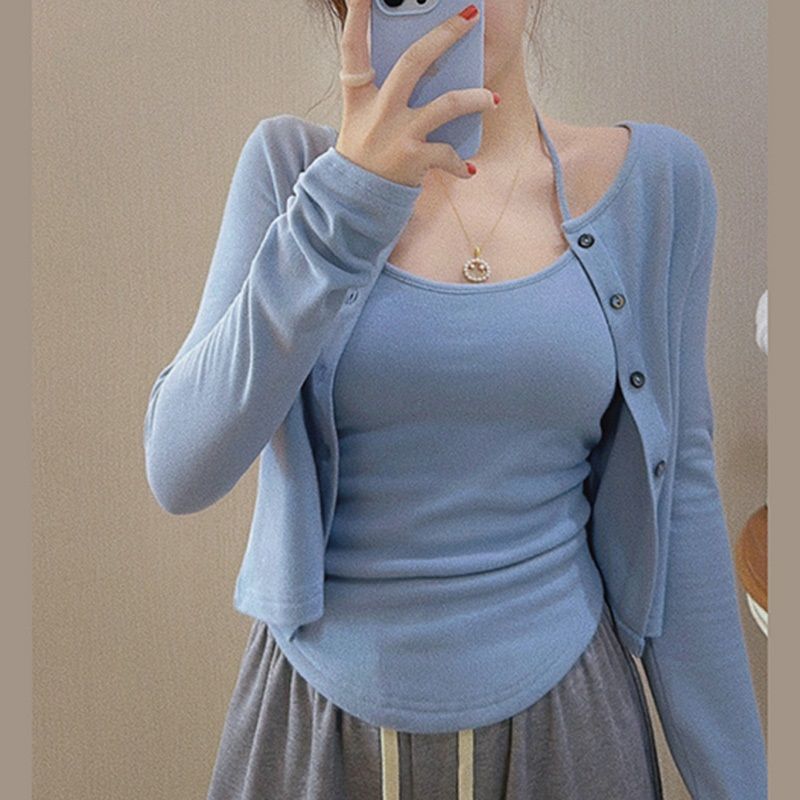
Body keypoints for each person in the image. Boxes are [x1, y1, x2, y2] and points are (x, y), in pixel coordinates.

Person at [143, 1, 767, 798]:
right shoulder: (291, 173)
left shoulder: (656, 184)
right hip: (317, 734)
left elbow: (681, 500)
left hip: (570, 732)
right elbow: (181, 469)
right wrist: (345, 205)